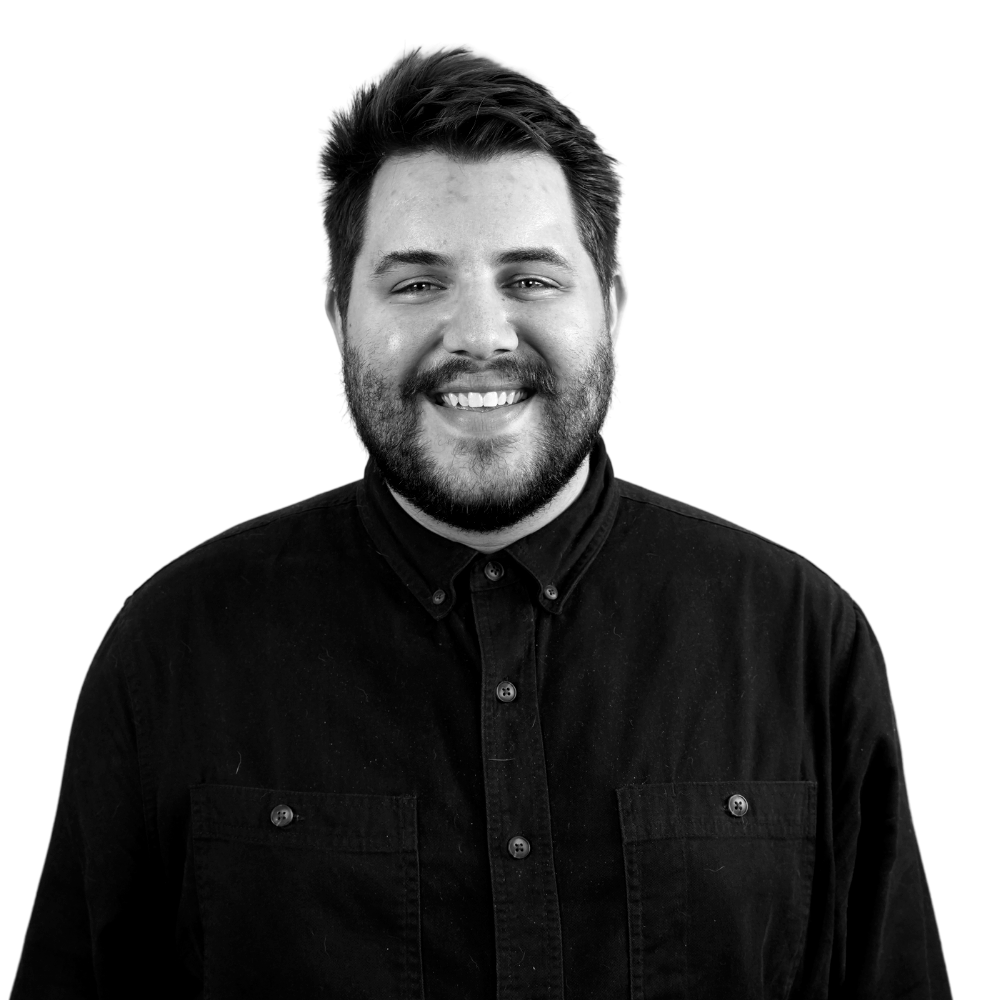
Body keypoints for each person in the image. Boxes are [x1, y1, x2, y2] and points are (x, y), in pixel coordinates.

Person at [13, 49, 950, 1000]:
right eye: (417, 283)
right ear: (339, 314)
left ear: (611, 307)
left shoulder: (802, 644)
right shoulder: (172, 652)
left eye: (533, 280)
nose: (481, 336)